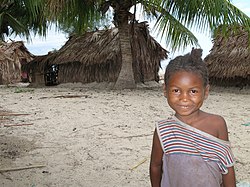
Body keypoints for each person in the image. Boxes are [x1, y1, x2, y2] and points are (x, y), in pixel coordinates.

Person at [150, 48, 236, 187]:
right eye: (176, 91)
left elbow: (227, 166)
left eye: (193, 91)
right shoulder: (163, 130)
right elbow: (155, 166)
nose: (184, 98)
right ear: (165, 91)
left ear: (205, 92)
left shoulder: (217, 124)